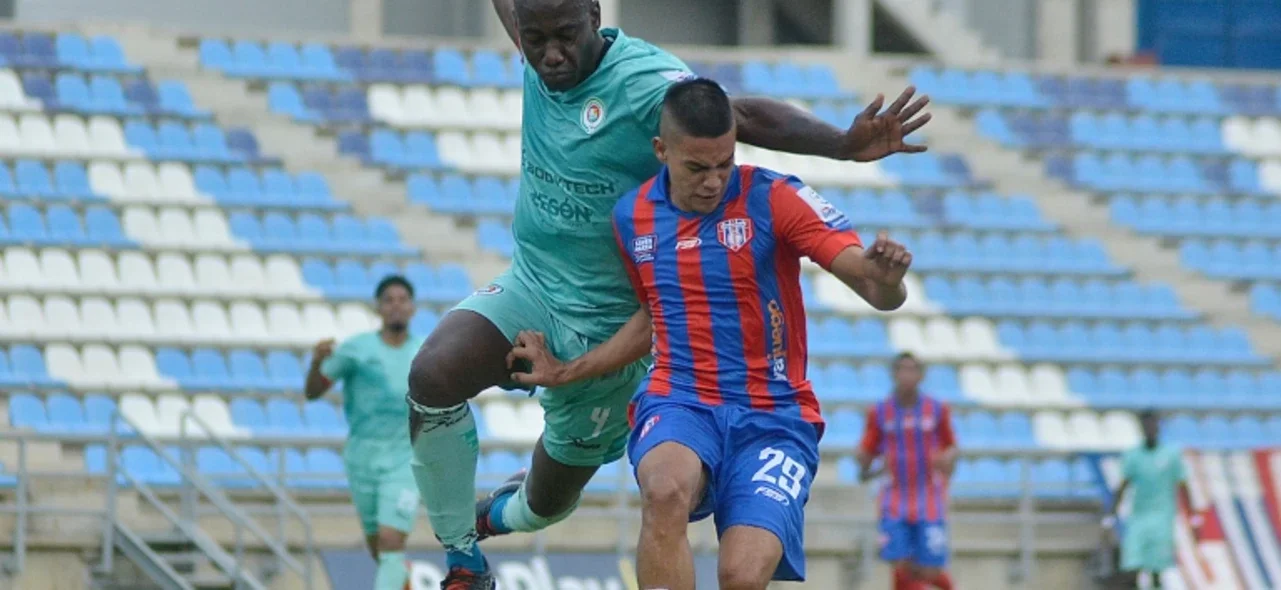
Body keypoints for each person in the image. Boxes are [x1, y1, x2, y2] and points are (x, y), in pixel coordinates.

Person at [405, 0, 931, 587]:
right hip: (534, 288)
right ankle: (462, 560)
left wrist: (841, 144)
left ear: (595, 15)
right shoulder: (549, 57)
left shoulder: (645, 85)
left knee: (548, 503)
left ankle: (504, 513)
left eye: (565, 36)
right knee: (432, 376)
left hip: (619, 334)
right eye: (535, 39)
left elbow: (737, 115)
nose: (550, 53)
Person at [508, 77, 913, 589]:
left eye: (724, 164)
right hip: (681, 398)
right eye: (697, 168)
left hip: (774, 415)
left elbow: (874, 289)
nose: (713, 181)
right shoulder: (632, 217)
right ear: (662, 151)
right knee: (664, 491)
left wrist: (887, 280)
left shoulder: (775, 197)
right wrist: (566, 372)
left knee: (741, 578)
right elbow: (654, 317)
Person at [304, 275, 424, 590]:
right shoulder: (357, 350)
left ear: (412, 308)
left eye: (402, 299)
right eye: (389, 300)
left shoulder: (426, 352)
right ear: (379, 308)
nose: (396, 305)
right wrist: (317, 363)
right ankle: (403, 579)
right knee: (380, 547)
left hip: (405, 459)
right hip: (362, 458)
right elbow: (314, 392)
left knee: (390, 539)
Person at [856, 352, 958, 590]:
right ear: (894, 374)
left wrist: (947, 460)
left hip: (929, 499)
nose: (907, 375)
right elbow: (866, 457)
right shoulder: (880, 412)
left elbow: (951, 447)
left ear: (921, 375)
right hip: (894, 501)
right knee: (899, 563)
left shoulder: (937, 409)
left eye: (912, 370)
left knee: (929, 569)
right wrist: (866, 463)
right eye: (902, 369)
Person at [1104, 410, 1196, 590]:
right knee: (1132, 566)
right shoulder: (1133, 455)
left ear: (1158, 427)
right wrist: (1110, 515)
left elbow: (1183, 484)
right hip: (1139, 517)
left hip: (1162, 518)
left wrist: (1192, 515)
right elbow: (1123, 485)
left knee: (1157, 569)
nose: (1150, 429)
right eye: (1146, 426)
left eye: (1153, 425)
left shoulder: (1171, 454)